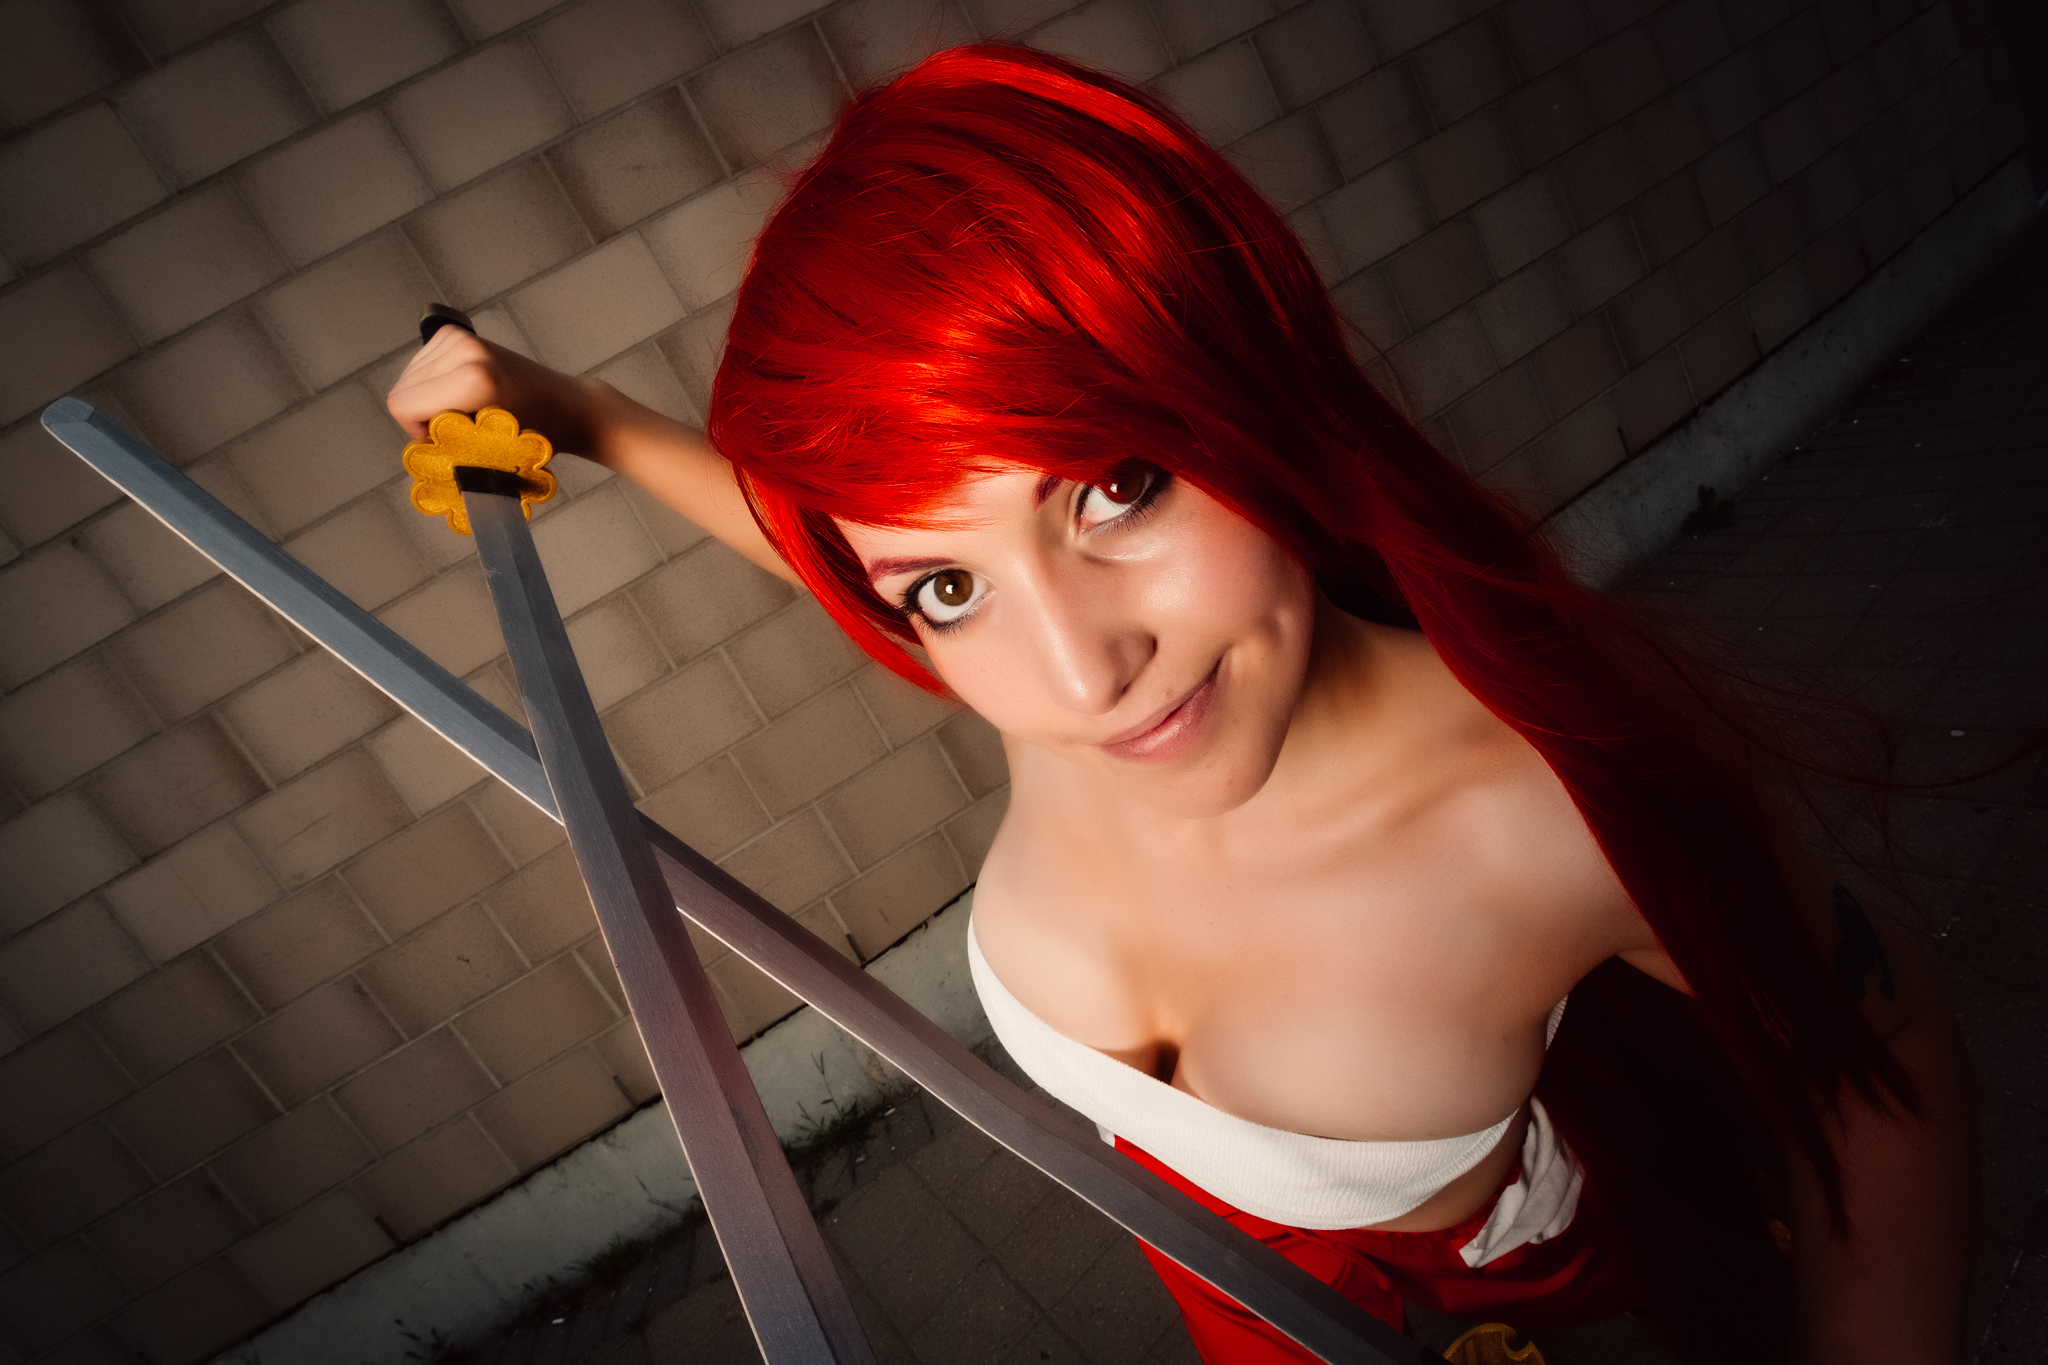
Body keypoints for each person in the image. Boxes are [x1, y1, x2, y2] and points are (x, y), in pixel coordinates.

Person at [388, 45, 1974, 1364]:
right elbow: (827, 536)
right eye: (945, 588)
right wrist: (570, 409)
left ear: (1246, 389)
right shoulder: (1049, 664)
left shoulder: (1559, 806)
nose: (1082, 679)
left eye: (1118, 485)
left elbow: (1880, 1091)